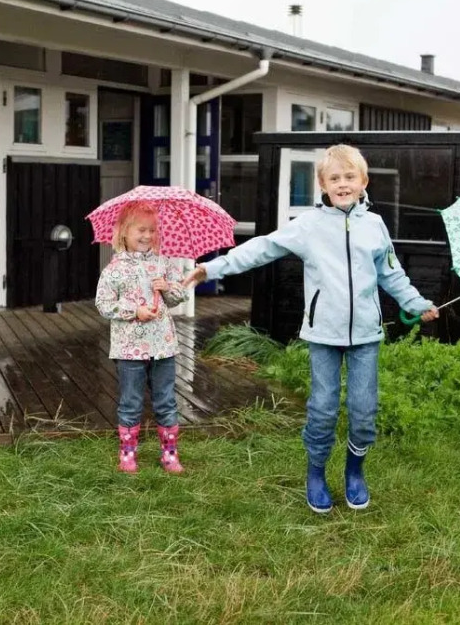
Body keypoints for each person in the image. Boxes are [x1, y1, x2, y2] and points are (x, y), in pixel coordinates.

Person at [183, 144, 439, 513]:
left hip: (366, 335)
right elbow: (262, 247)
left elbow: (391, 274)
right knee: (322, 408)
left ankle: (355, 471)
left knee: (364, 411)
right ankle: (316, 473)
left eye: (350, 177)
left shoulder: (375, 226)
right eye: (335, 178)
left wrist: (416, 303)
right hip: (323, 335)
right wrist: (212, 268)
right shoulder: (308, 226)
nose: (343, 184)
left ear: (363, 182)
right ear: (322, 183)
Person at [95, 201, 189, 474]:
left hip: (162, 346)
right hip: (129, 349)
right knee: (131, 402)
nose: (147, 236)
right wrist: (134, 310)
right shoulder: (115, 269)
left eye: (152, 230)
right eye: (141, 230)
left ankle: (169, 454)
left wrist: (168, 286)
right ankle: (127, 454)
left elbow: (178, 296)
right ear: (124, 231)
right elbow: (103, 304)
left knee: (166, 401)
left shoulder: (163, 262)